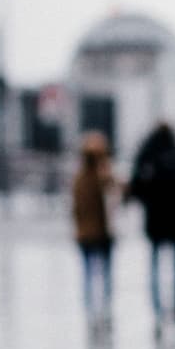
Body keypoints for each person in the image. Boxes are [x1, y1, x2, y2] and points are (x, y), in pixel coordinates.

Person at [126, 122, 175, 325]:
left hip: (155, 222)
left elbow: (136, 188)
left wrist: (149, 200)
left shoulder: (148, 155)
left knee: (155, 268)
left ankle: (158, 311)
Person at [70, 132, 118, 326]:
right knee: (104, 273)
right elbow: (112, 203)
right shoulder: (103, 177)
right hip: (102, 233)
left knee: (88, 273)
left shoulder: (79, 179)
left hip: (85, 234)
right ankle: (104, 307)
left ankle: (90, 309)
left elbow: (75, 208)